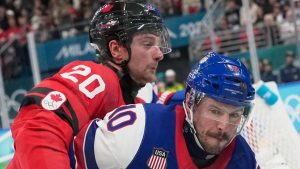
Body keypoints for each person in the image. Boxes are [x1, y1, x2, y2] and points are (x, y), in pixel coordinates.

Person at [7, 1, 171, 169]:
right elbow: (37, 124)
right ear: (116, 49)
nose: (159, 54)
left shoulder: (134, 101)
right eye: (148, 44)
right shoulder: (98, 77)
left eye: (158, 45)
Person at [71, 52, 258, 169]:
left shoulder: (243, 158)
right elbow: (73, 157)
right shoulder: (139, 129)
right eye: (215, 111)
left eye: (234, 115)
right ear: (191, 103)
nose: (223, 126)